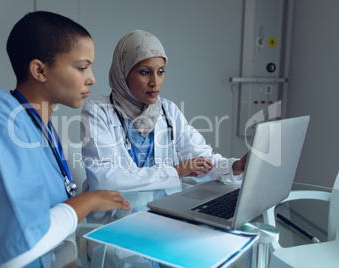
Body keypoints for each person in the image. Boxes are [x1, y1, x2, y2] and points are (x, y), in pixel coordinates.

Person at [0, 11, 130, 268]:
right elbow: (20, 249)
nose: (92, 78)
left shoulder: (40, 127)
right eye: (82, 67)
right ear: (39, 70)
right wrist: (87, 201)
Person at [80, 29, 247, 267]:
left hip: (165, 220)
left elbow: (199, 157)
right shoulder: (98, 112)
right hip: (117, 226)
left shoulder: (167, 111)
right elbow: (106, 179)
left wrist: (234, 166)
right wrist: (175, 172)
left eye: (161, 72)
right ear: (123, 72)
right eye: (145, 72)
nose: (155, 82)